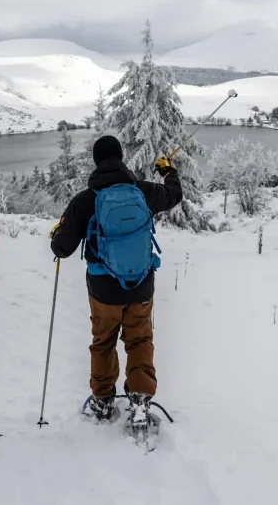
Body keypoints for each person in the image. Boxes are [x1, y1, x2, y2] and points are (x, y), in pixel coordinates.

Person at [50, 135, 182, 424]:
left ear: (97, 162)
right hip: (141, 285)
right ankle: (140, 400)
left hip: (103, 290)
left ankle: (103, 400)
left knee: (104, 342)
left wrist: (58, 232)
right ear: (121, 158)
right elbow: (174, 195)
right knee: (140, 339)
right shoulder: (142, 191)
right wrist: (167, 170)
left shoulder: (85, 201)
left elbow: (62, 248)